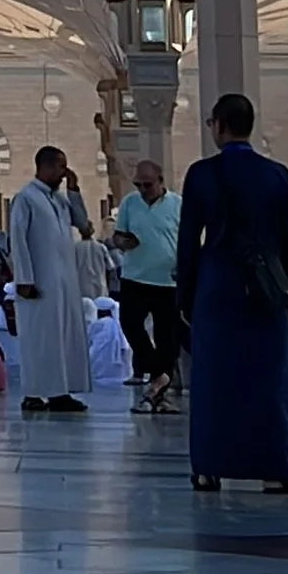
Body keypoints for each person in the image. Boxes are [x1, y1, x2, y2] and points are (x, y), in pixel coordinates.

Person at [174, 94, 288, 491]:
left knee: (215, 377)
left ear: (219, 125)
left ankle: (209, 465)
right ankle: (278, 468)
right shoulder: (279, 175)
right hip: (267, 286)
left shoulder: (201, 175)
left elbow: (187, 242)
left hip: (217, 285)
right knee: (270, 376)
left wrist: (186, 296)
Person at [7, 148, 92, 415]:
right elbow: (18, 240)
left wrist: (75, 192)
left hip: (64, 282)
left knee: (61, 337)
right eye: (60, 167)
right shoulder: (27, 198)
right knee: (38, 338)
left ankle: (60, 392)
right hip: (38, 282)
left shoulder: (59, 200)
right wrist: (23, 278)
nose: (64, 173)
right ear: (45, 167)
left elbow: (84, 226)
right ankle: (33, 393)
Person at [110, 160, 183, 408]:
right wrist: (122, 242)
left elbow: (186, 240)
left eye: (148, 184)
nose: (143, 189)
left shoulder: (178, 205)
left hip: (167, 281)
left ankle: (158, 392)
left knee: (167, 338)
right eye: (138, 184)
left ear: (161, 181)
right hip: (135, 278)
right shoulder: (130, 203)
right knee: (130, 323)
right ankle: (157, 374)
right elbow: (118, 235)